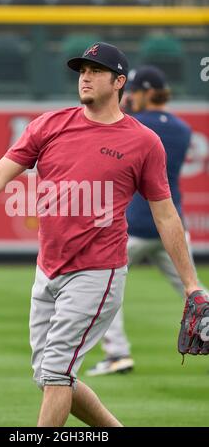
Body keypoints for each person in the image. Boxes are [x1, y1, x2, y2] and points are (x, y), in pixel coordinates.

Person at [0, 43, 203, 427]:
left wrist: (191, 285)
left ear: (119, 81)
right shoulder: (49, 125)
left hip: (97, 272)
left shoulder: (142, 141)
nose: (85, 77)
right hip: (48, 270)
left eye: (95, 71)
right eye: (81, 70)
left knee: (56, 373)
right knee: (50, 377)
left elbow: (166, 215)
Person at [86, 65, 208, 376]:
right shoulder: (182, 130)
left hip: (136, 225)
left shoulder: (134, 125)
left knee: (104, 291)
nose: (131, 97)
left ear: (147, 92)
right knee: (194, 290)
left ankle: (117, 354)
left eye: (136, 91)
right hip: (172, 227)